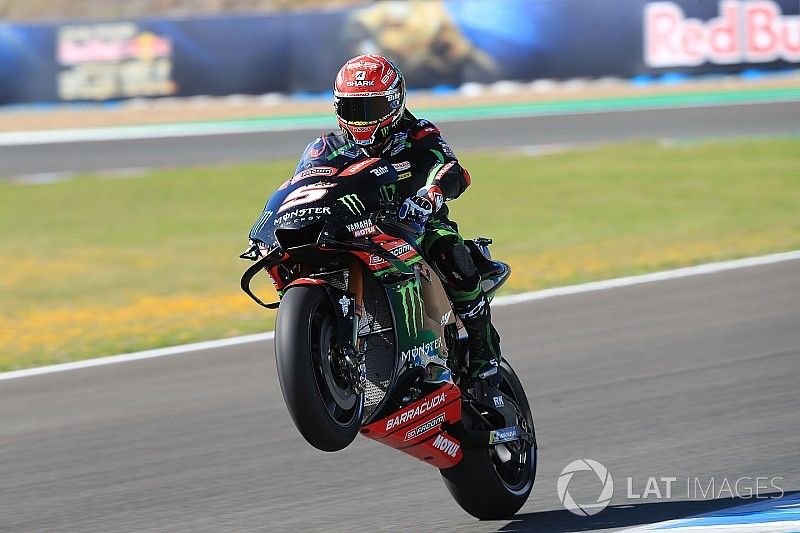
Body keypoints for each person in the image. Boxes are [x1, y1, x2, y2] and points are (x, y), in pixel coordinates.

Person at [295, 54, 502, 384]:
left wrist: (432, 192)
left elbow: (451, 168)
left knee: (447, 248)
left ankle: (483, 349)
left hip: (414, 224)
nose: (361, 121)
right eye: (352, 110)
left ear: (394, 102)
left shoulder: (418, 133)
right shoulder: (324, 148)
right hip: (351, 230)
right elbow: (300, 187)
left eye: (371, 109)